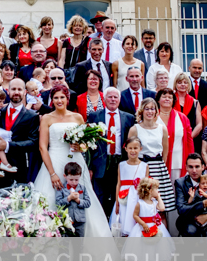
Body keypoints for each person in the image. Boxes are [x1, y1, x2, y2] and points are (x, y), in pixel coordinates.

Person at [34, 85, 112, 236]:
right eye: (55, 98)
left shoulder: (77, 117)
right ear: (52, 100)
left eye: (62, 97)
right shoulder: (46, 118)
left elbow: (85, 144)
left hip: (75, 162)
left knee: (82, 195)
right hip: (54, 161)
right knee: (51, 198)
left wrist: (80, 146)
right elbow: (43, 148)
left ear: (67, 98)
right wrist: (52, 173)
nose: (59, 100)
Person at [0, 78, 40, 187]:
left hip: (17, 166)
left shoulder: (32, 116)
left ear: (25, 92)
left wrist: (7, 145)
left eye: (20, 89)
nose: (16, 92)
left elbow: (33, 142)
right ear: (8, 91)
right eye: (13, 89)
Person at [88, 87, 134, 217]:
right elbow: (89, 144)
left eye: (115, 97)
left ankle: (116, 223)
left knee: (118, 195)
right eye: (110, 97)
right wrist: (90, 166)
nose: (113, 99)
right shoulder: (94, 116)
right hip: (100, 162)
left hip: (120, 162)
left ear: (119, 99)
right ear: (104, 99)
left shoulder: (129, 118)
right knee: (99, 196)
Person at [127, 98, 176, 214]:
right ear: (142, 111)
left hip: (158, 167)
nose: (149, 112)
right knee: (143, 203)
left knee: (160, 205)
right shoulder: (134, 129)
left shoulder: (162, 128)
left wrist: (161, 165)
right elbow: (130, 151)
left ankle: (162, 231)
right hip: (142, 166)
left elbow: (165, 150)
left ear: (156, 111)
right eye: (147, 109)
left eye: (152, 109)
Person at [110, 136, 146, 236]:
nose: (133, 151)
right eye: (130, 148)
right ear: (125, 149)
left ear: (140, 149)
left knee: (134, 219)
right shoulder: (121, 165)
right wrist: (117, 203)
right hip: (124, 198)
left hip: (137, 197)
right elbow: (119, 184)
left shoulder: (144, 166)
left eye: (135, 148)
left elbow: (146, 186)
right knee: (124, 219)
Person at [55, 161, 92, 237]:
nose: (74, 182)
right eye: (71, 180)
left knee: (79, 243)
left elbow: (88, 203)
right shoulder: (61, 188)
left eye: (76, 180)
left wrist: (78, 201)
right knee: (65, 241)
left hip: (80, 221)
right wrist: (68, 198)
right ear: (65, 176)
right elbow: (58, 203)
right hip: (66, 221)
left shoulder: (82, 188)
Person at [173, 71, 203, 156]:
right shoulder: (170, 101)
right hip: (173, 140)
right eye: (179, 82)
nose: (183, 85)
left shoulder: (195, 102)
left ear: (189, 85)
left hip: (191, 140)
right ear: (175, 85)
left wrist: (188, 138)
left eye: (185, 82)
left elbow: (199, 124)